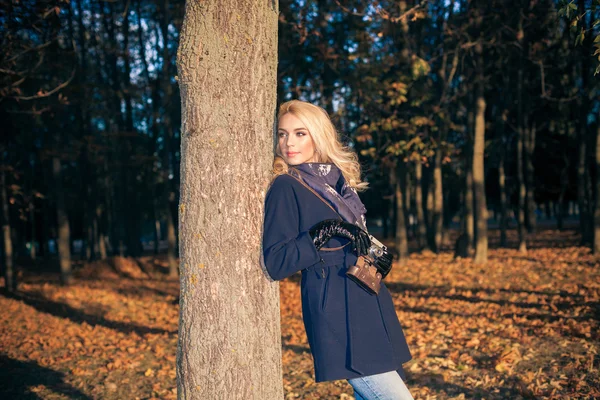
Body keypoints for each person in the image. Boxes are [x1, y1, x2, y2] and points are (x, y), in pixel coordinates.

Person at [261, 100, 414, 400]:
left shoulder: (338, 182)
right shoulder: (286, 186)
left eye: (299, 133)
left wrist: (373, 253)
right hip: (336, 305)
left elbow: (351, 235)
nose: (288, 142)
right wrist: (321, 233)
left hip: (367, 298)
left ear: (318, 134)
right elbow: (276, 261)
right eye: (282, 134)